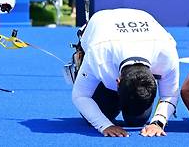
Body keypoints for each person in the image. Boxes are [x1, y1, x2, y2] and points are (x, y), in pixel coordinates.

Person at [71, 8, 179, 137]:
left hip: (141, 19)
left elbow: (170, 94)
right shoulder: (99, 55)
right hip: (102, 27)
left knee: (138, 120)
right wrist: (105, 125)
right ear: (117, 81)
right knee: (103, 114)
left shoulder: (167, 54)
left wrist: (157, 122)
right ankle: (78, 65)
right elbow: (80, 95)